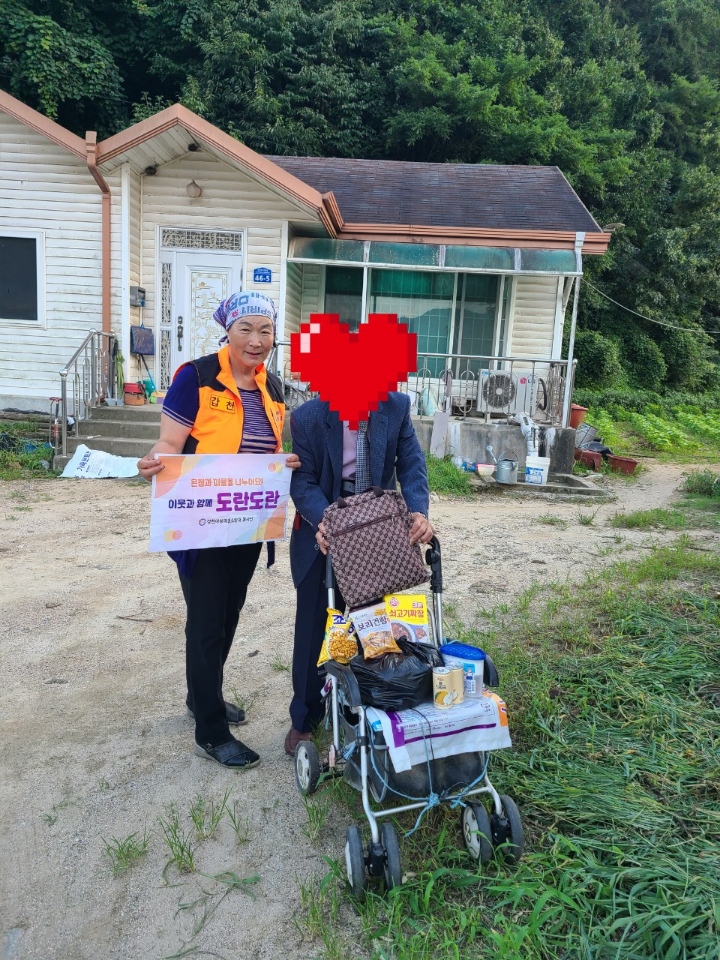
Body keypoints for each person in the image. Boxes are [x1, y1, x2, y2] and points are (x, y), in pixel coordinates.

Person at [137, 292, 300, 770]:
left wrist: (284, 463)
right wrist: (154, 462)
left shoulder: (273, 388)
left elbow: (268, 450)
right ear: (228, 331)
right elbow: (170, 442)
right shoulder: (197, 376)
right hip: (201, 523)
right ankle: (210, 730)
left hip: (247, 522)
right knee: (207, 620)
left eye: (265, 330)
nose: (256, 340)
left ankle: (200, 695)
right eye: (245, 329)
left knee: (228, 613)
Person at [285, 392, 434, 755]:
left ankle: (370, 704)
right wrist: (327, 522)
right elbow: (303, 483)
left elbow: (411, 464)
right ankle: (304, 719)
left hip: (376, 527)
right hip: (324, 524)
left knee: (374, 624)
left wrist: (417, 511)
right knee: (314, 628)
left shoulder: (395, 407)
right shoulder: (308, 417)